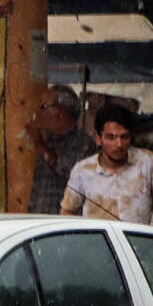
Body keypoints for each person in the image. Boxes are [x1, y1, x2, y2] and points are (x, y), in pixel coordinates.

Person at [61, 104, 153, 228]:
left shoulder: (147, 161)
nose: (119, 144)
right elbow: (67, 210)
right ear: (98, 138)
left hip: (141, 245)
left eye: (124, 137)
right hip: (98, 245)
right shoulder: (82, 171)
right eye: (111, 137)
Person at [26, 85, 96, 214]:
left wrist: (40, 145)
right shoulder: (48, 140)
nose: (38, 112)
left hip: (63, 225)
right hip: (37, 220)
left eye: (43, 107)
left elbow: (70, 172)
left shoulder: (84, 143)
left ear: (60, 112)